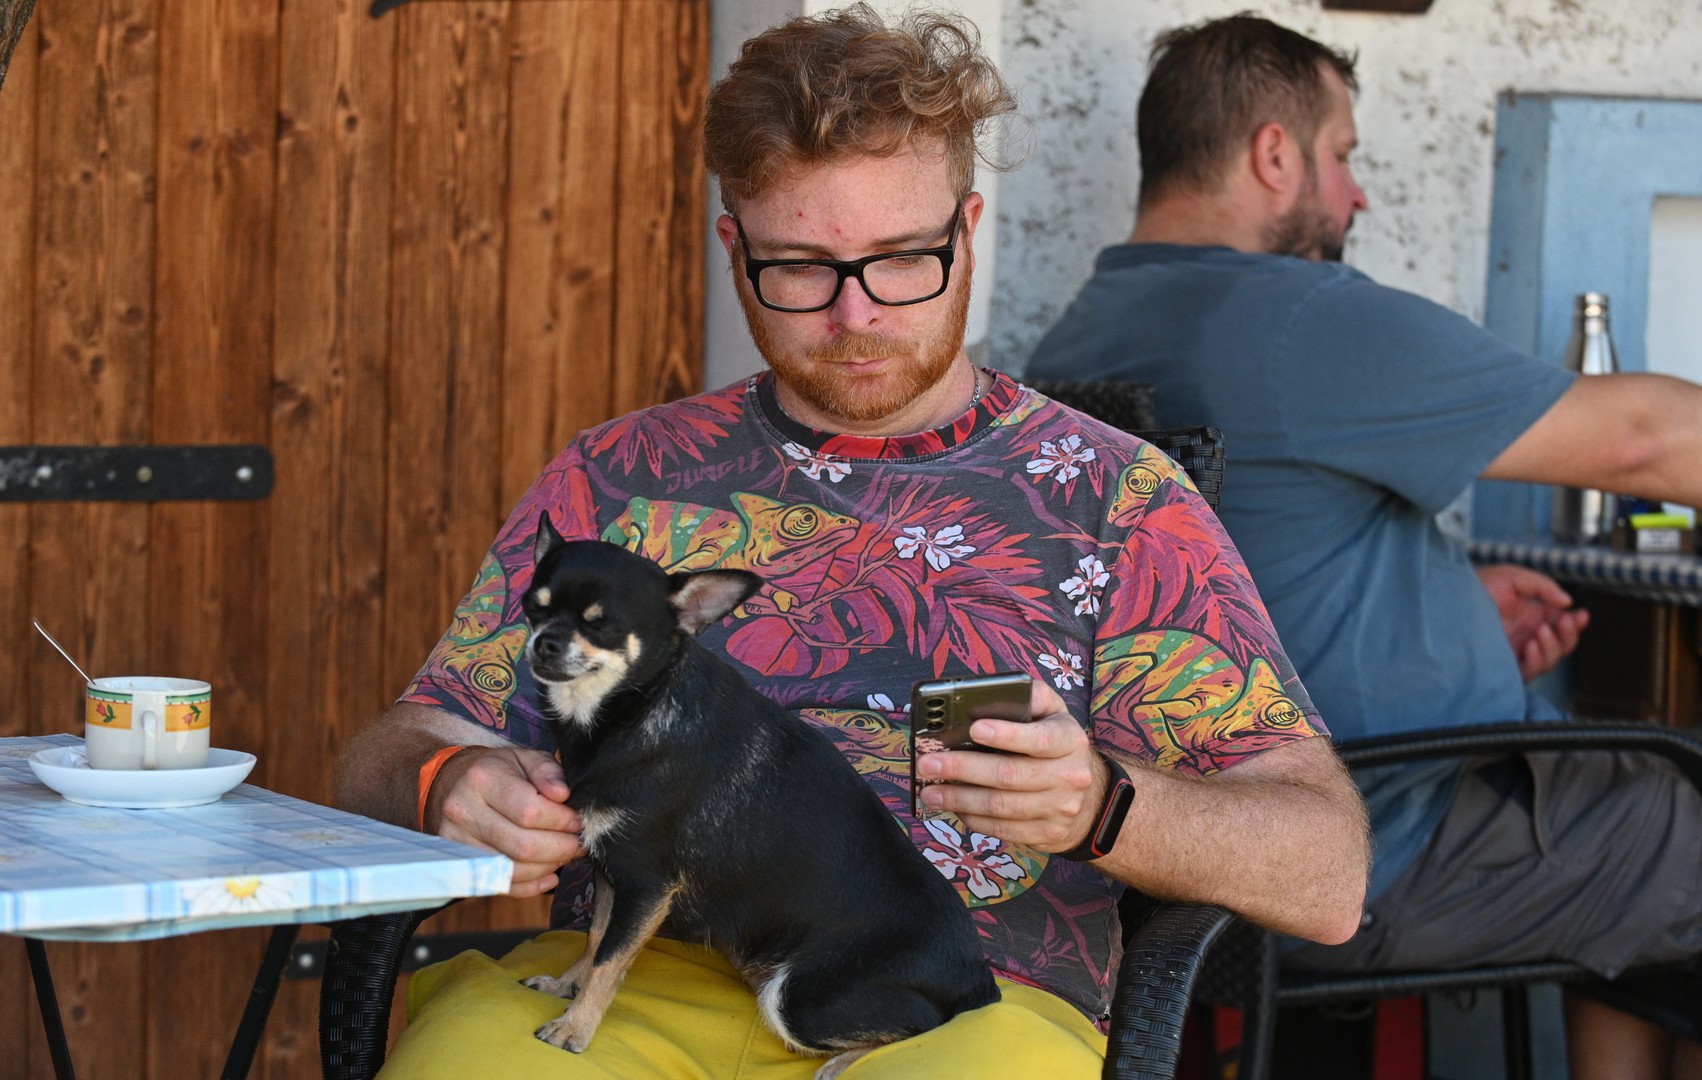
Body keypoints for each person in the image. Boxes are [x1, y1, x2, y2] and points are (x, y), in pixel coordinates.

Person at [333, 6, 1368, 1076]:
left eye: (902, 258)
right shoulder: (620, 476)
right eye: (800, 266)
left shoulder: (1115, 500)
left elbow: (1327, 875)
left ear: (967, 231)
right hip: (628, 982)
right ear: (735, 248)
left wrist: (1106, 807)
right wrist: (444, 778)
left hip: (950, 1006)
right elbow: (381, 761)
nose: (856, 315)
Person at [1028, 13, 1702, 1077]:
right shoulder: (1301, 320)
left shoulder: (1084, 332)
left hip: (1192, 863)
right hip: (1375, 847)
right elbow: (1645, 441)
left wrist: (1441, 618)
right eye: (1341, 155)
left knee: (1636, 819)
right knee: (1672, 816)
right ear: (1274, 154)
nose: (1356, 195)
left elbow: (1241, 578)